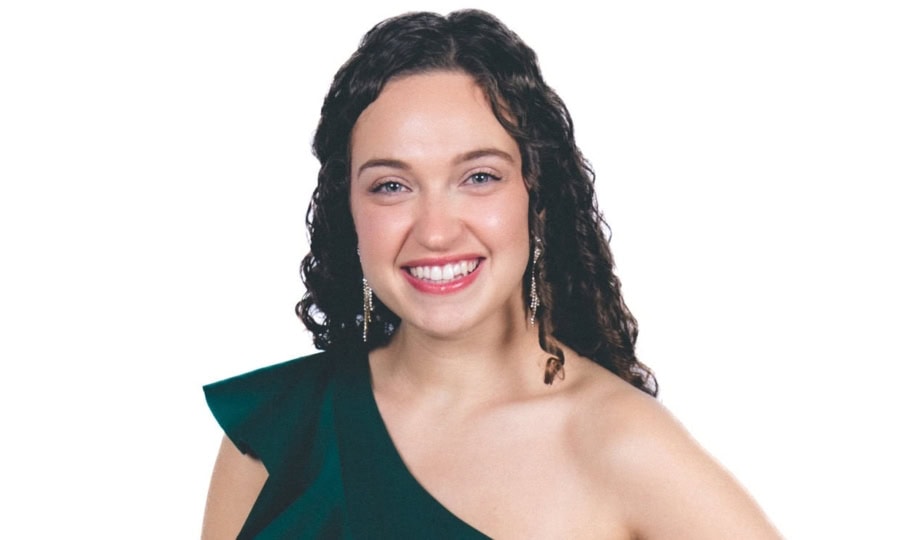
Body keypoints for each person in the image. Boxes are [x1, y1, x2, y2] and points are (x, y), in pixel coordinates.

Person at [202, 9, 780, 539]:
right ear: (346, 209)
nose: (434, 231)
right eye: (391, 186)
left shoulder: (618, 444)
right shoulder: (275, 433)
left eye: (479, 177)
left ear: (538, 193)